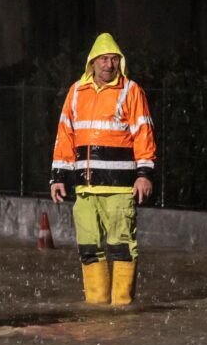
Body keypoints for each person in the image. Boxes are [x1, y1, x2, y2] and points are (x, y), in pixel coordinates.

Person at [50, 33, 156, 306]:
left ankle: (121, 308)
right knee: (88, 248)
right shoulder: (76, 92)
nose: (109, 64)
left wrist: (144, 174)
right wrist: (58, 177)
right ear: (92, 62)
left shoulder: (131, 91)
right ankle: (96, 309)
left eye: (114, 59)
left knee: (121, 247)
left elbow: (143, 132)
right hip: (85, 188)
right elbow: (65, 135)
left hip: (120, 188)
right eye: (104, 59)